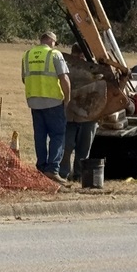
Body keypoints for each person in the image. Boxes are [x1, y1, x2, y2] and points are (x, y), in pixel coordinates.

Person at [22, 31, 70, 184]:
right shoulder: (55, 55)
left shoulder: (27, 55)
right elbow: (64, 79)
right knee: (57, 135)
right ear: (51, 41)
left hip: (34, 101)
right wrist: (67, 98)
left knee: (40, 136)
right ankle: (52, 170)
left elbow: (24, 78)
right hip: (53, 102)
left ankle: (41, 168)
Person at [61, 42, 98, 182]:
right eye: (77, 56)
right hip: (70, 113)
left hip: (88, 114)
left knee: (84, 148)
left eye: (82, 57)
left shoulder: (94, 68)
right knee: (67, 146)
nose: (80, 60)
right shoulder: (66, 66)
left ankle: (79, 175)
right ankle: (63, 173)